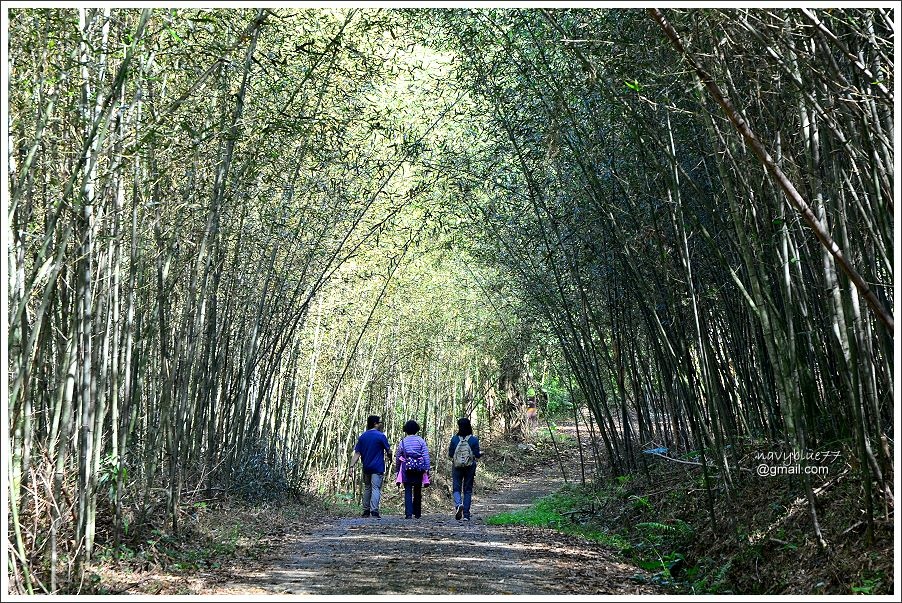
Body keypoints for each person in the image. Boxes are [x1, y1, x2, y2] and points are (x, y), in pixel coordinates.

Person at [349, 415, 392, 519]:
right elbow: (388, 450)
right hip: (377, 467)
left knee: (367, 488)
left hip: (366, 467)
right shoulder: (381, 436)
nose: (380, 424)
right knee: (376, 488)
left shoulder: (362, 436)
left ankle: (365, 511)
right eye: (379, 422)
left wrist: (351, 466)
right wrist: (390, 457)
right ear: (375, 424)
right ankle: (374, 511)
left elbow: (357, 453)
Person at [394, 420, 431, 519]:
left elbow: (398, 456)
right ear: (416, 429)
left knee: (408, 490)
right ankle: (417, 513)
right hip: (419, 468)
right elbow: (425, 455)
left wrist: (397, 470)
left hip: (406, 468)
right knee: (418, 490)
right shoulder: (421, 440)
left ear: (406, 430)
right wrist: (427, 469)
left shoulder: (403, 441)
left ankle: (408, 513)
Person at [448, 417, 482, 521]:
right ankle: (466, 515)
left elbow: (450, 454)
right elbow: (477, 454)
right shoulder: (473, 439)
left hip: (457, 466)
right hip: (470, 467)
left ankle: (459, 504)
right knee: (467, 490)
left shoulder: (454, 439)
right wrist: (480, 454)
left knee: (456, 488)